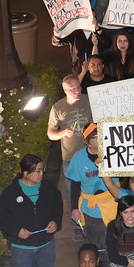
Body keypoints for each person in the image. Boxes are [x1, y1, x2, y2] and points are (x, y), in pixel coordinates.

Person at [0, 153, 63, 267]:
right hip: (22, 249)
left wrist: (55, 222)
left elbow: (58, 207)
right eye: (38, 171)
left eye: (42, 170)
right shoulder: (10, 193)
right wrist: (16, 231)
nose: (41, 174)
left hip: (46, 246)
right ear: (26, 173)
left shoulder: (48, 188)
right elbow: (3, 218)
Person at [66, 124, 117, 256]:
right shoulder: (78, 158)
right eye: (95, 137)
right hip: (92, 208)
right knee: (97, 243)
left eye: (102, 135)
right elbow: (75, 184)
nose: (100, 139)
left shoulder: (114, 151)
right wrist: (75, 209)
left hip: (114, 202)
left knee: (117, 239)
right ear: (87, 141)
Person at [47, 74, 92, 203]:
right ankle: (76, 222)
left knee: (93, 189)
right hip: (70, 158)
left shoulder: (89, 100)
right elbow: (50, 133)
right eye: (72, 89)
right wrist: (64, 133)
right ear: (65, 90)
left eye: (78, 87)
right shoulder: (57, 108)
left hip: (90, 154)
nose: (77, 91)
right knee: (74, 194)